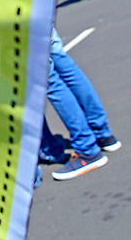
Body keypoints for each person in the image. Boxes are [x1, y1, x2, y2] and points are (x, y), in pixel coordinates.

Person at [46, 28, 121, 180]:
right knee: (63, 64)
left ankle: (87, 149)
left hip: (16, 16)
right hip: (38, 9)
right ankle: (102, 133)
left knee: (49, 81)